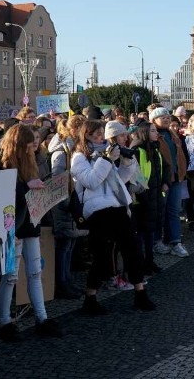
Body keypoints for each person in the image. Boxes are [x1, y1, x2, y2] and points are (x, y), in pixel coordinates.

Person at [71, 119, 155, 313]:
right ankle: (90, 297)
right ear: (86, 136)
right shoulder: (79, 157)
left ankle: (140, 293)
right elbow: (91, 181)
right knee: (102, 256)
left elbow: (119, 180)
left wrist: (128, 163)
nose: (102, 138)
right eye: (97, 135)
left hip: (117, 206)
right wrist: (107, 160)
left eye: (103, 134)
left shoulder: (107, 152)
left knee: (133, 250)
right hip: (97, 211)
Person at [0, 124, 64, 342]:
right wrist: (28, 188)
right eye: (31, 139)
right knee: (10, 277)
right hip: (13, 227)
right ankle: (4, 322)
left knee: (35, 272)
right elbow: (4, 198)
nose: (36, 142)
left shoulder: (31, 162)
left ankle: (42, 318)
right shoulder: (2, 164)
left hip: (30, 224)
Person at [48, 116, 87, 299]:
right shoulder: (61, 151)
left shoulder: (71, 148)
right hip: (64, 203)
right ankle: (60, 283)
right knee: (63, 246)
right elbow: (57, 178)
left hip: (72, 201)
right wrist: (66, 201)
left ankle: (67, 280)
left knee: (70, 245)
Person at [129, 122, 169, 277]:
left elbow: (165, 166)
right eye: (153, 130)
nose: (156, 133)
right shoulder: (136, 151)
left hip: (155, 197)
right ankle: (141, 264)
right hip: (141, 200)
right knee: (141, 233)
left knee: (150, 232)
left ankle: (150, 261)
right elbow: (135, 177)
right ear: (144, 132)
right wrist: (144, 197)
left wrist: (166, 182)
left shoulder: (155, 148)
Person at [149, 108, 189, 258]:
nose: (166, 119)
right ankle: (157, 240)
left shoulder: (172, 134)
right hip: (162, 180)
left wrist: (182, 172)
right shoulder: (153, 136)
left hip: (176, 178)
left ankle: (175, 241)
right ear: (154, 120)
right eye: (162, 117)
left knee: (174, 210)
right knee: (160, 210)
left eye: (167, 116)